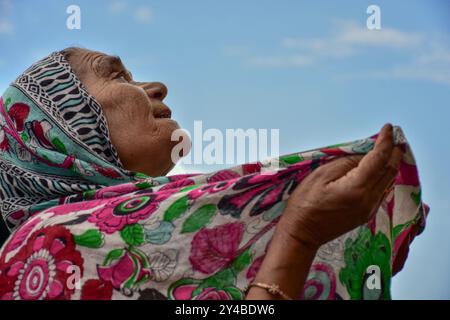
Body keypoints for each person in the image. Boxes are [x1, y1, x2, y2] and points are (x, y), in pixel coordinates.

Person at [0, 48, 427, 300]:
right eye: (116, 75)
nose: (157, 87)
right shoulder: (45, 244)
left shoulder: (181, 232)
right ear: (57, 126)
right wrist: (298, 237)